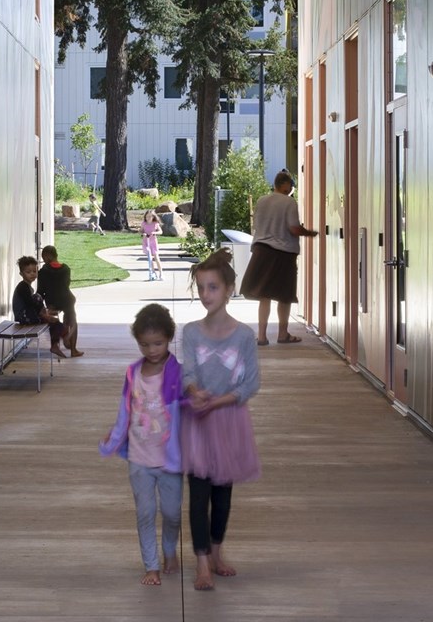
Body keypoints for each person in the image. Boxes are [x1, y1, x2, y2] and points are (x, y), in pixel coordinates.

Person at [180, 249, 260, 592]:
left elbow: (251, 382)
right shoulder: (191, 332)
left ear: (229, 289)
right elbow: (188, 372)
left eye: (212, 287)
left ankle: (216, 552)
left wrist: (220, 401)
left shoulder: (243, 335)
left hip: (228, 421)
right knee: (198, 495)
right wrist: (196, 391)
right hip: (198, 421)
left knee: (222, 496)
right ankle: (201, 564)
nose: (205, 295)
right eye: (200, 288)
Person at [99, 303, 183, 586]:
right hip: (139, 458)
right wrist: (113, 439)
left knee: (171, 513)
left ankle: (170, 549)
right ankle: (152, 566)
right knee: (145, 513)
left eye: (158, 343)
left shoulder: (178, 374)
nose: (152, 350)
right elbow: (125, 411)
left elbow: (189, 415)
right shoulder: (133, 373)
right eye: (145, 344)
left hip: (170, 460)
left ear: (169, 338)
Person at [241, 169, 316, 344]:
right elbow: (294, 229)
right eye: (291, 185)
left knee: (264, 296)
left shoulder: (261, 200)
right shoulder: (289, 202)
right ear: (286, 185)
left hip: (261, 251)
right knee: (284, 295)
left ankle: (261, 336)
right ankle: (283, 334)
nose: (292, 188)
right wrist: (310, 233)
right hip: (282, 253)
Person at [12, 256, 67, 359]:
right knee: (37, 297)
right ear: (21, 274)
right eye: (28, 272)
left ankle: (55, 345)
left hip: (29, 315)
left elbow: (32, 304)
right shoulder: (23, 287)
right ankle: (59, 328)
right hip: (23, 317)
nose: (32, 274)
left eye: (34, 271)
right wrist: (43, 313)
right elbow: (30, 303)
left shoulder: (28, 286)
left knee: (55, 322)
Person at [38, 245, 84, 356]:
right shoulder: (66, 269)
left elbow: (41, 290)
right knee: (72, 320)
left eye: (43, 257)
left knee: (53, 319)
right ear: (56, 255)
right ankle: (73, 350)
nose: (43, 260)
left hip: (52, 301)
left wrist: (40, 305)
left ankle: (55, 345)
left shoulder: (43, 271)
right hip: (67, 299)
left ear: (46, 256)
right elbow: (66, 284)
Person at [140, 210, 164, 281]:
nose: (148, 218)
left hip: (153, 242)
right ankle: (153, 273)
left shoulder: (155, 223)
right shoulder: (144, 223)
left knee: (156, 257)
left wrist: (154, 233)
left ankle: (161, 273)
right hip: (146, 242)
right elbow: (140, 231)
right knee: (150, 259)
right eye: (147, 216)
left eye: (150, 216)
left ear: (153, 217)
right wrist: (143, 233)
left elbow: (161, 232)